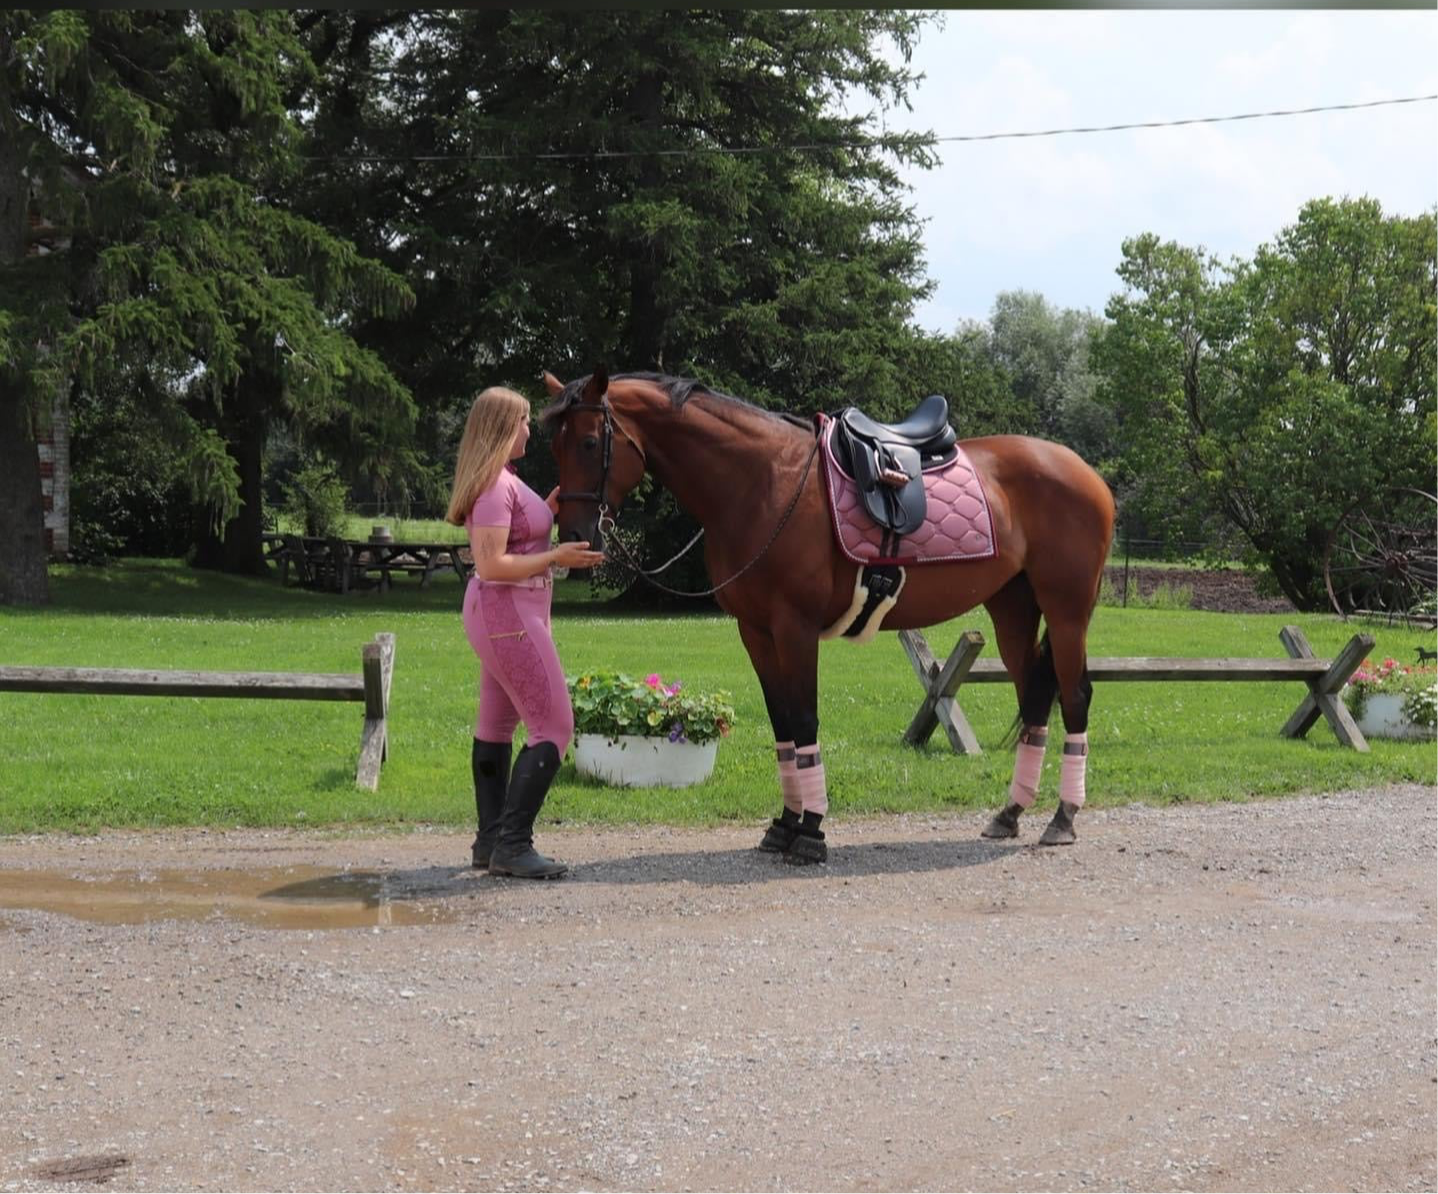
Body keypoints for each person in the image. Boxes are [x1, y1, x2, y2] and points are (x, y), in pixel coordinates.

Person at [445, 386, 604, 879]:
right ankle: (513, 844)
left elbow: (519, 530)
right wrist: (557, 556)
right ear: (501, 428)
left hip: (507, 613)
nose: (530, 429)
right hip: (508, 612)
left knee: (495, 726)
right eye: (523, 421)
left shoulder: (507, 480)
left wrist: (551, 509)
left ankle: (491, 840)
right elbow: (491, 564)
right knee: (555, 725)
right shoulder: (495, 485)